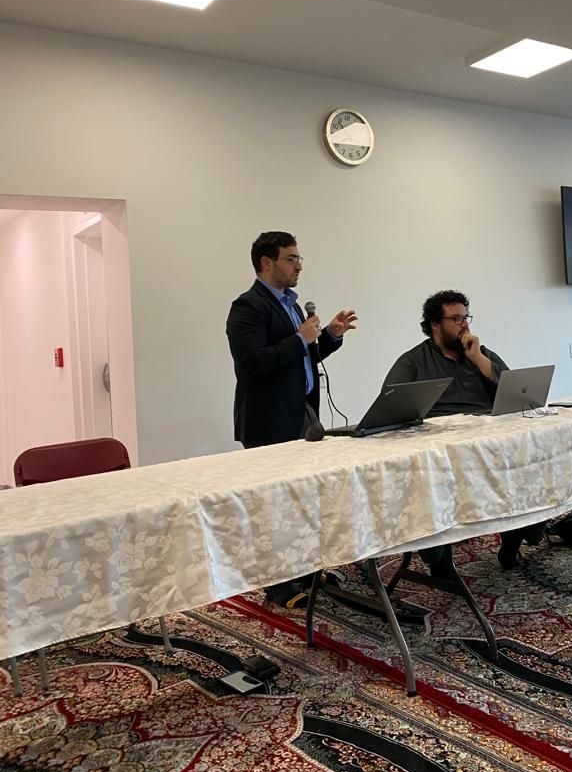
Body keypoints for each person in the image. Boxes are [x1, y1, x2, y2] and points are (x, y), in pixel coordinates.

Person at [226, 230, 357, 605]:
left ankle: (308, 572)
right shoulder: (247, 307)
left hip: (302, 414)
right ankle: (279, 584)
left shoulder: (292, 305)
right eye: (291, 258)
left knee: (303, 500)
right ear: (267, 263)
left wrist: (328, 336)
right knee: (274, 507)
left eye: (300, 259)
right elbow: (252, 364)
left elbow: (300, 359)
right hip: (268, 420)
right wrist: (300, 338)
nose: (299, 265)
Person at [384, 290, 544, 572]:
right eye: (456, 319)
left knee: (531, 459)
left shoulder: (480, 353)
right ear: (436, 323)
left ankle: (514, 540)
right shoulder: (413, 361)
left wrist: (479, 360)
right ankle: (439, 560)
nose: (465, 324)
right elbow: (392, 404)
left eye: (466, 317)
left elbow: (518, 393)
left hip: (488, 438)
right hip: (443, 446)